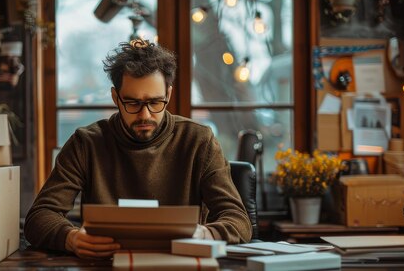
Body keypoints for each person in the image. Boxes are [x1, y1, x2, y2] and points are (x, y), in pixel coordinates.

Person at [24, 38, 252, 259]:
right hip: (107, 264)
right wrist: (71, 238)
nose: (145, 115)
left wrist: (203, 234)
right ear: (116, 97)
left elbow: (238, 220)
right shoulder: (86, 143)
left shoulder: (198, 141)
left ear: (168, 95)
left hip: (179, 263)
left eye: (154, 102)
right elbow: (39, 217)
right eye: (132, 103)